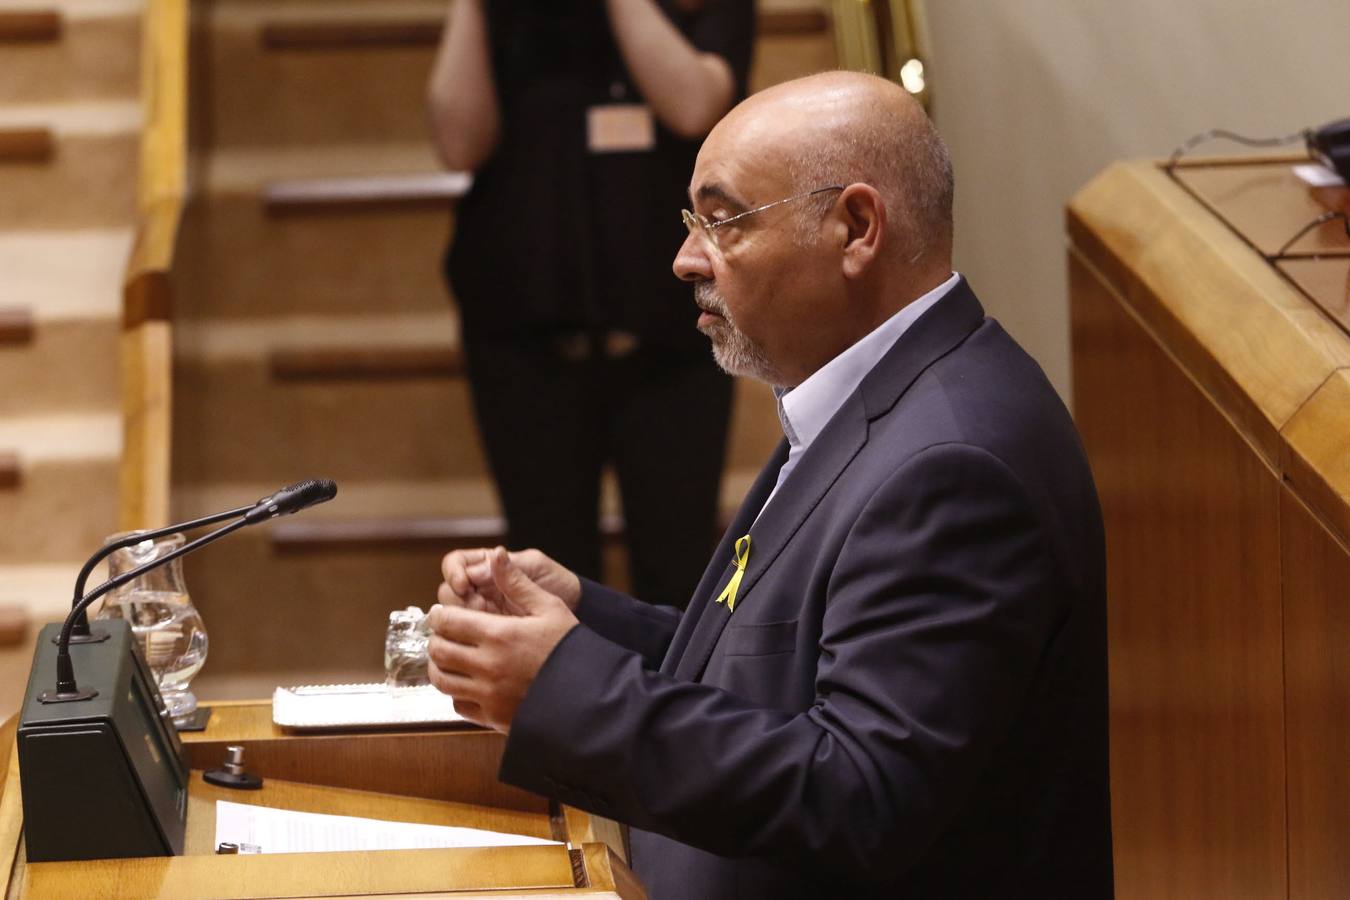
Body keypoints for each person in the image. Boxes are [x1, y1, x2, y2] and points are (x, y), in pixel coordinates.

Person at [426, 71, 1114, 899]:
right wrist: (587, 620)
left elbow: (858, 793)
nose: (685, 260)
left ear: (856, 227)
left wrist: (568, 685)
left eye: (724, 224)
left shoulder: (954, 463)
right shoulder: (870, 397)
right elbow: (787, 666)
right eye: (692, 223)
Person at [427, 0, 757, 608]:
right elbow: (457, 143)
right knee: (540, 571)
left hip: (670, 332)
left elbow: (694, 106)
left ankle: (678, 703)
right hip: (524, 335)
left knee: (679, 570)